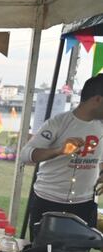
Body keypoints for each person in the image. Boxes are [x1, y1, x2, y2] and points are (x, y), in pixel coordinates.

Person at [20, 74, 103, 239]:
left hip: (84, 204)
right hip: (48, 201)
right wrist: (59, 150)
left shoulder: (101, 126)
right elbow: (26, 155)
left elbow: (99, 162)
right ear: (98, 99)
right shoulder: (59, 123)